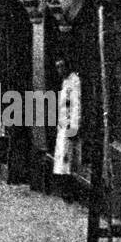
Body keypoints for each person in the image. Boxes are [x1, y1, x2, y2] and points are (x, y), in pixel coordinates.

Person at [52, 60, 82, 197]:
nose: (59, 70)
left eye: (61, 67)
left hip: (70, 125)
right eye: (57, 67)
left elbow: (76, 105)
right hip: (63, 124)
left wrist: (73, 127)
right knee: (62, 157)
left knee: (68, 158)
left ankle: (69, 191)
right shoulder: (65, 82)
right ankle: (64, 188)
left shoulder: (74, 81)